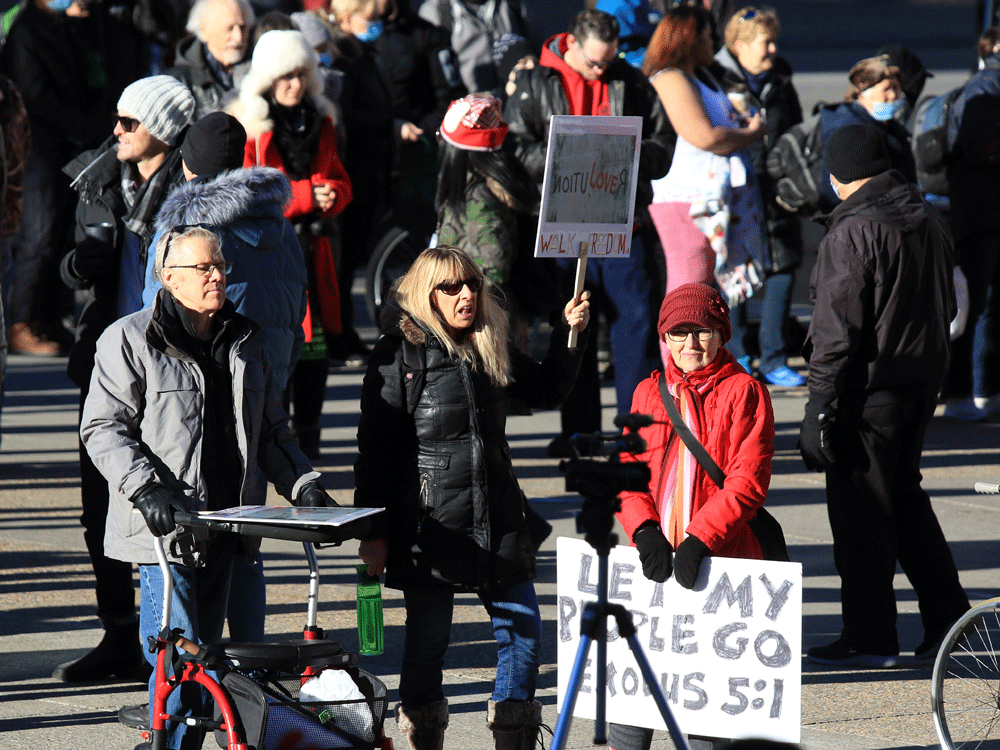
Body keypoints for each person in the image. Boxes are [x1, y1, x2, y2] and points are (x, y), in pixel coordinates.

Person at [81, 224, 337, 750]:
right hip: (168, 532)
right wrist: (145, 489)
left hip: (232, 529)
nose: (217, 275)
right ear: (168, 277)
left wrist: (303, 486)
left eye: (220, 265)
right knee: (180, 662)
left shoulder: (246, 339)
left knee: (223, 665)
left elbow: (272, 431)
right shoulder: (128, 339)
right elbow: (103, 428)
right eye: (204, 267)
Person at [354, 245, 591, 750]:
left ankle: (513, 737)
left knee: (523, 635)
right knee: (428, 643)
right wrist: (372, 532)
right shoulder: (399, 354)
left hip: (499, 515)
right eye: (451, 287)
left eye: (473, 285)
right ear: (427, 294)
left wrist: (568, 336)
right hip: (430, 522)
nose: (466, 295)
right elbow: (375, 451)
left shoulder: (489, 341)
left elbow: (547, 391)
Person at [800, 123, 970, 668]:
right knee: (904, 500)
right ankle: (949, 620)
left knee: (862, 514)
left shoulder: (852, 231)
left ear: (837, 175)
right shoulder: (927, 217)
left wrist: (819, 404)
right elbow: (950, 305)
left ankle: (869, 635)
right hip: (920, 381)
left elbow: (836, 331)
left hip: (869, 391)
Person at [53, 75, 195, 684]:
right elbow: (63, 261)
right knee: (99, 508)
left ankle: (169, 649)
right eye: (117, 118)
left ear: (162, 129)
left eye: (129, 122)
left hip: (171, 367)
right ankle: (117, 633)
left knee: (169, 506)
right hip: (107, 358)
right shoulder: (98, 178)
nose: (116, 131)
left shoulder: (188, 190)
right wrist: (76, 266)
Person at [503, 7, 674, 457]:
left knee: (635, 328)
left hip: (624, 224)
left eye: (609, 61)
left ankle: (635, 432)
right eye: (595, 62)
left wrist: (621, 151)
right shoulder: (536, 82)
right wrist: (571, 155)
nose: (602, 70)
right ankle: (579, 433)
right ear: (572, 44)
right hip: (562, 224)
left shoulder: (629, 80)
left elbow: (664, 145)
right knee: (572, 329)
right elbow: (515, 148)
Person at [611, 281, 774, 750]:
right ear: (665, 338)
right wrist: (644, 530)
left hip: (720, 563)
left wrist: (700, 538)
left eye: (702, 331)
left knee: (704, 709)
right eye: (679, 333)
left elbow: (748, 481)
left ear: (722, 334)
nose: (691, 343)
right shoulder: (648, 392)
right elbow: (628, 471)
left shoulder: (746, 392)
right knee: (631, 704)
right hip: (654, 566)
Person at [229, 28, 353, 458]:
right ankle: (276, 447)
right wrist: (304, 196)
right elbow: (245, 194)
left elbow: (339, 177)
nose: (295, 84)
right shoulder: (251, 127)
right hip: (271, 258)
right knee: (277, 354)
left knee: (315, 352)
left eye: (301, 74)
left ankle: (310, 445)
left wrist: (333, 193)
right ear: (267, 79)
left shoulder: (321, 119)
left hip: (314, 254)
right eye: (285, 75)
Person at [642, 3, 766, 366]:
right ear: (689, 37)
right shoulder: (669, 77)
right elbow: (704, 136)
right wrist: (750, 134)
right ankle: (676, 380)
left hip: (707, 198)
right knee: (687, 295)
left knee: (700, 295)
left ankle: (694, 377)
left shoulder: (700, 76)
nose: (713, 42)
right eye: (708, 35)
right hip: (684, 200)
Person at [1, 0, 109, 355]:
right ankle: (21, 322)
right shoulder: (26, 29)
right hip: (38, 148)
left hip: (67, 145)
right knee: (39, 234)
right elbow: (34, 94)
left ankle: (48, 318)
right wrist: (80, 125)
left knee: (63, 233)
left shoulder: (69, 25)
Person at [709, 6, 807, 386]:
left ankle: (774, 357)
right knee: (734, 270)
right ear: (739, 45)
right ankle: (737, 356)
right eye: (765, 42)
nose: (772, 49)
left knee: (783, 265)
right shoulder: (715, 79)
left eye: (773, 41)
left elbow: (796, 129)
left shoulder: (780, 80)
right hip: (735, 189)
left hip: (778, 186)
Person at [434, 92, 540, 350]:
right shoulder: (474, 189)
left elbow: (492, 275)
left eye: (441, 137)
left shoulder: (478, 203)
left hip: (483, 332)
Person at [326, 0, 395, 362]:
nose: (377, 25)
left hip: (368, 167)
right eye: (371, 18)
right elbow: (349, 115)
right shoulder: (344, 57)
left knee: (350, 260)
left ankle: (345, 332)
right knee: (343, 261)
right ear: (349, 17)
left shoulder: (363, 53)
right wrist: (385, 123)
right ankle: (339, 335)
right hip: (353, 168)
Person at [940, 27, 1000, 421]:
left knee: (982, 304)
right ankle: (968, 391)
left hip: (983, 211)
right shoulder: (987, 86)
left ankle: (981, 389)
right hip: (982, 212)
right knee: (976, 304)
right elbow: (976, 147)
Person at [372, 0, 466, 246]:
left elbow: (450, 94)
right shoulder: (360, 38)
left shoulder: (428, 35)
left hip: (417, 151)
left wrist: (428, 127)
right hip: (374, 150)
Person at [815, 54, 916, 208]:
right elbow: (838, 188)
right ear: (862, 93)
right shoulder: (848, 130)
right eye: (886, 89)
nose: (893, 95)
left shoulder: (889, 126)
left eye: (896, 87)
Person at [417, 0, 529, 94]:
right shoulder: (436, 11)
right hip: (470, 104)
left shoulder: (509, 4)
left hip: (517, 97)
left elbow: (532, 45)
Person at [167, 0, 255, 117]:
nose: (238, 37)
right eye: (229, 28)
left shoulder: (259, 68)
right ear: (204, 30)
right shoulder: (179, 82)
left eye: (243, 27)